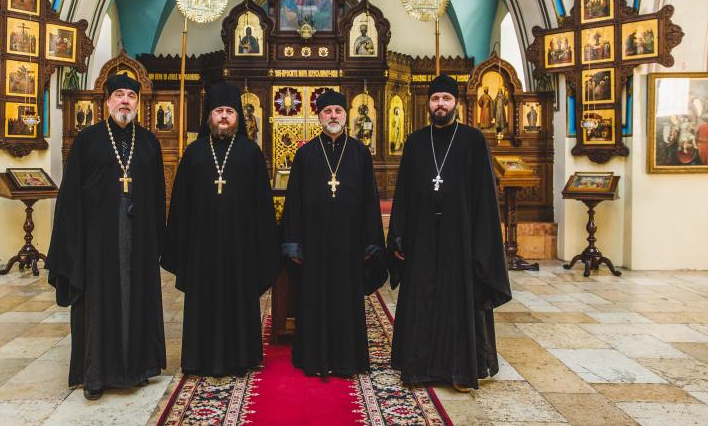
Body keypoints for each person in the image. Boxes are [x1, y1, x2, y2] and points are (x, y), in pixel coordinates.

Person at [46, 73, 167, 400]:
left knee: (136, 301)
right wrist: (71, 246)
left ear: (138, 103)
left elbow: (158, 197)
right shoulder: (88, 141)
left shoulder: (149, 143)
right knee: (97, 307)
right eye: (119, 95)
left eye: (131, 95)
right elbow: (70, 198)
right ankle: (95, 375)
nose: (125, 100)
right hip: (97, 244)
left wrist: (158, 241)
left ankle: (138, 368)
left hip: (138, 242)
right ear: (107, 101)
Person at [387, 73, 511, 391]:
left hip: (460, 238)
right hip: (422, 237)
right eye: (435, 99)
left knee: (458, 303)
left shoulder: (473, 140)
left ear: (456, 103)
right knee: (422, 300)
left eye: (446, 98)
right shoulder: (416, 142)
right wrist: (398, 234)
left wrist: (482, 245)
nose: (440, 104)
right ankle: (419, 369)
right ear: (428, 104)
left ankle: (459, 371)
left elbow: (484, 197)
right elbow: (403, 194)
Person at [162, 82, 280, 376]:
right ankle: (199, 359)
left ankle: (242, 357)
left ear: (238, 116)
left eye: (229, 111)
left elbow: (263, 207)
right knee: (203, 301)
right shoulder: (193, 153)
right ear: (209, 117)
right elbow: (180, 206)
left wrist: (262, 247)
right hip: (201, 248)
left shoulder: (251, 153)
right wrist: (181, 248)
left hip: (241, 247)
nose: (224, 116)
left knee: (239, 300)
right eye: (218, 111)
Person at [281, 90, 387, 377]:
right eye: (327, 111)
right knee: (313, 299)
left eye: (338, 111)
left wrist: (371, 244)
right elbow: (294, 202)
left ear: (345, 116)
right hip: (314, 243)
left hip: (349, 244)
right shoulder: (305, 154)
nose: (333, 116)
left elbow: (370, 201)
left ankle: (346, 359)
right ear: (319, 117)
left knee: (346, 300)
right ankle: (314, 357)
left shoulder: (360, 153)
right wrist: (294, 245)